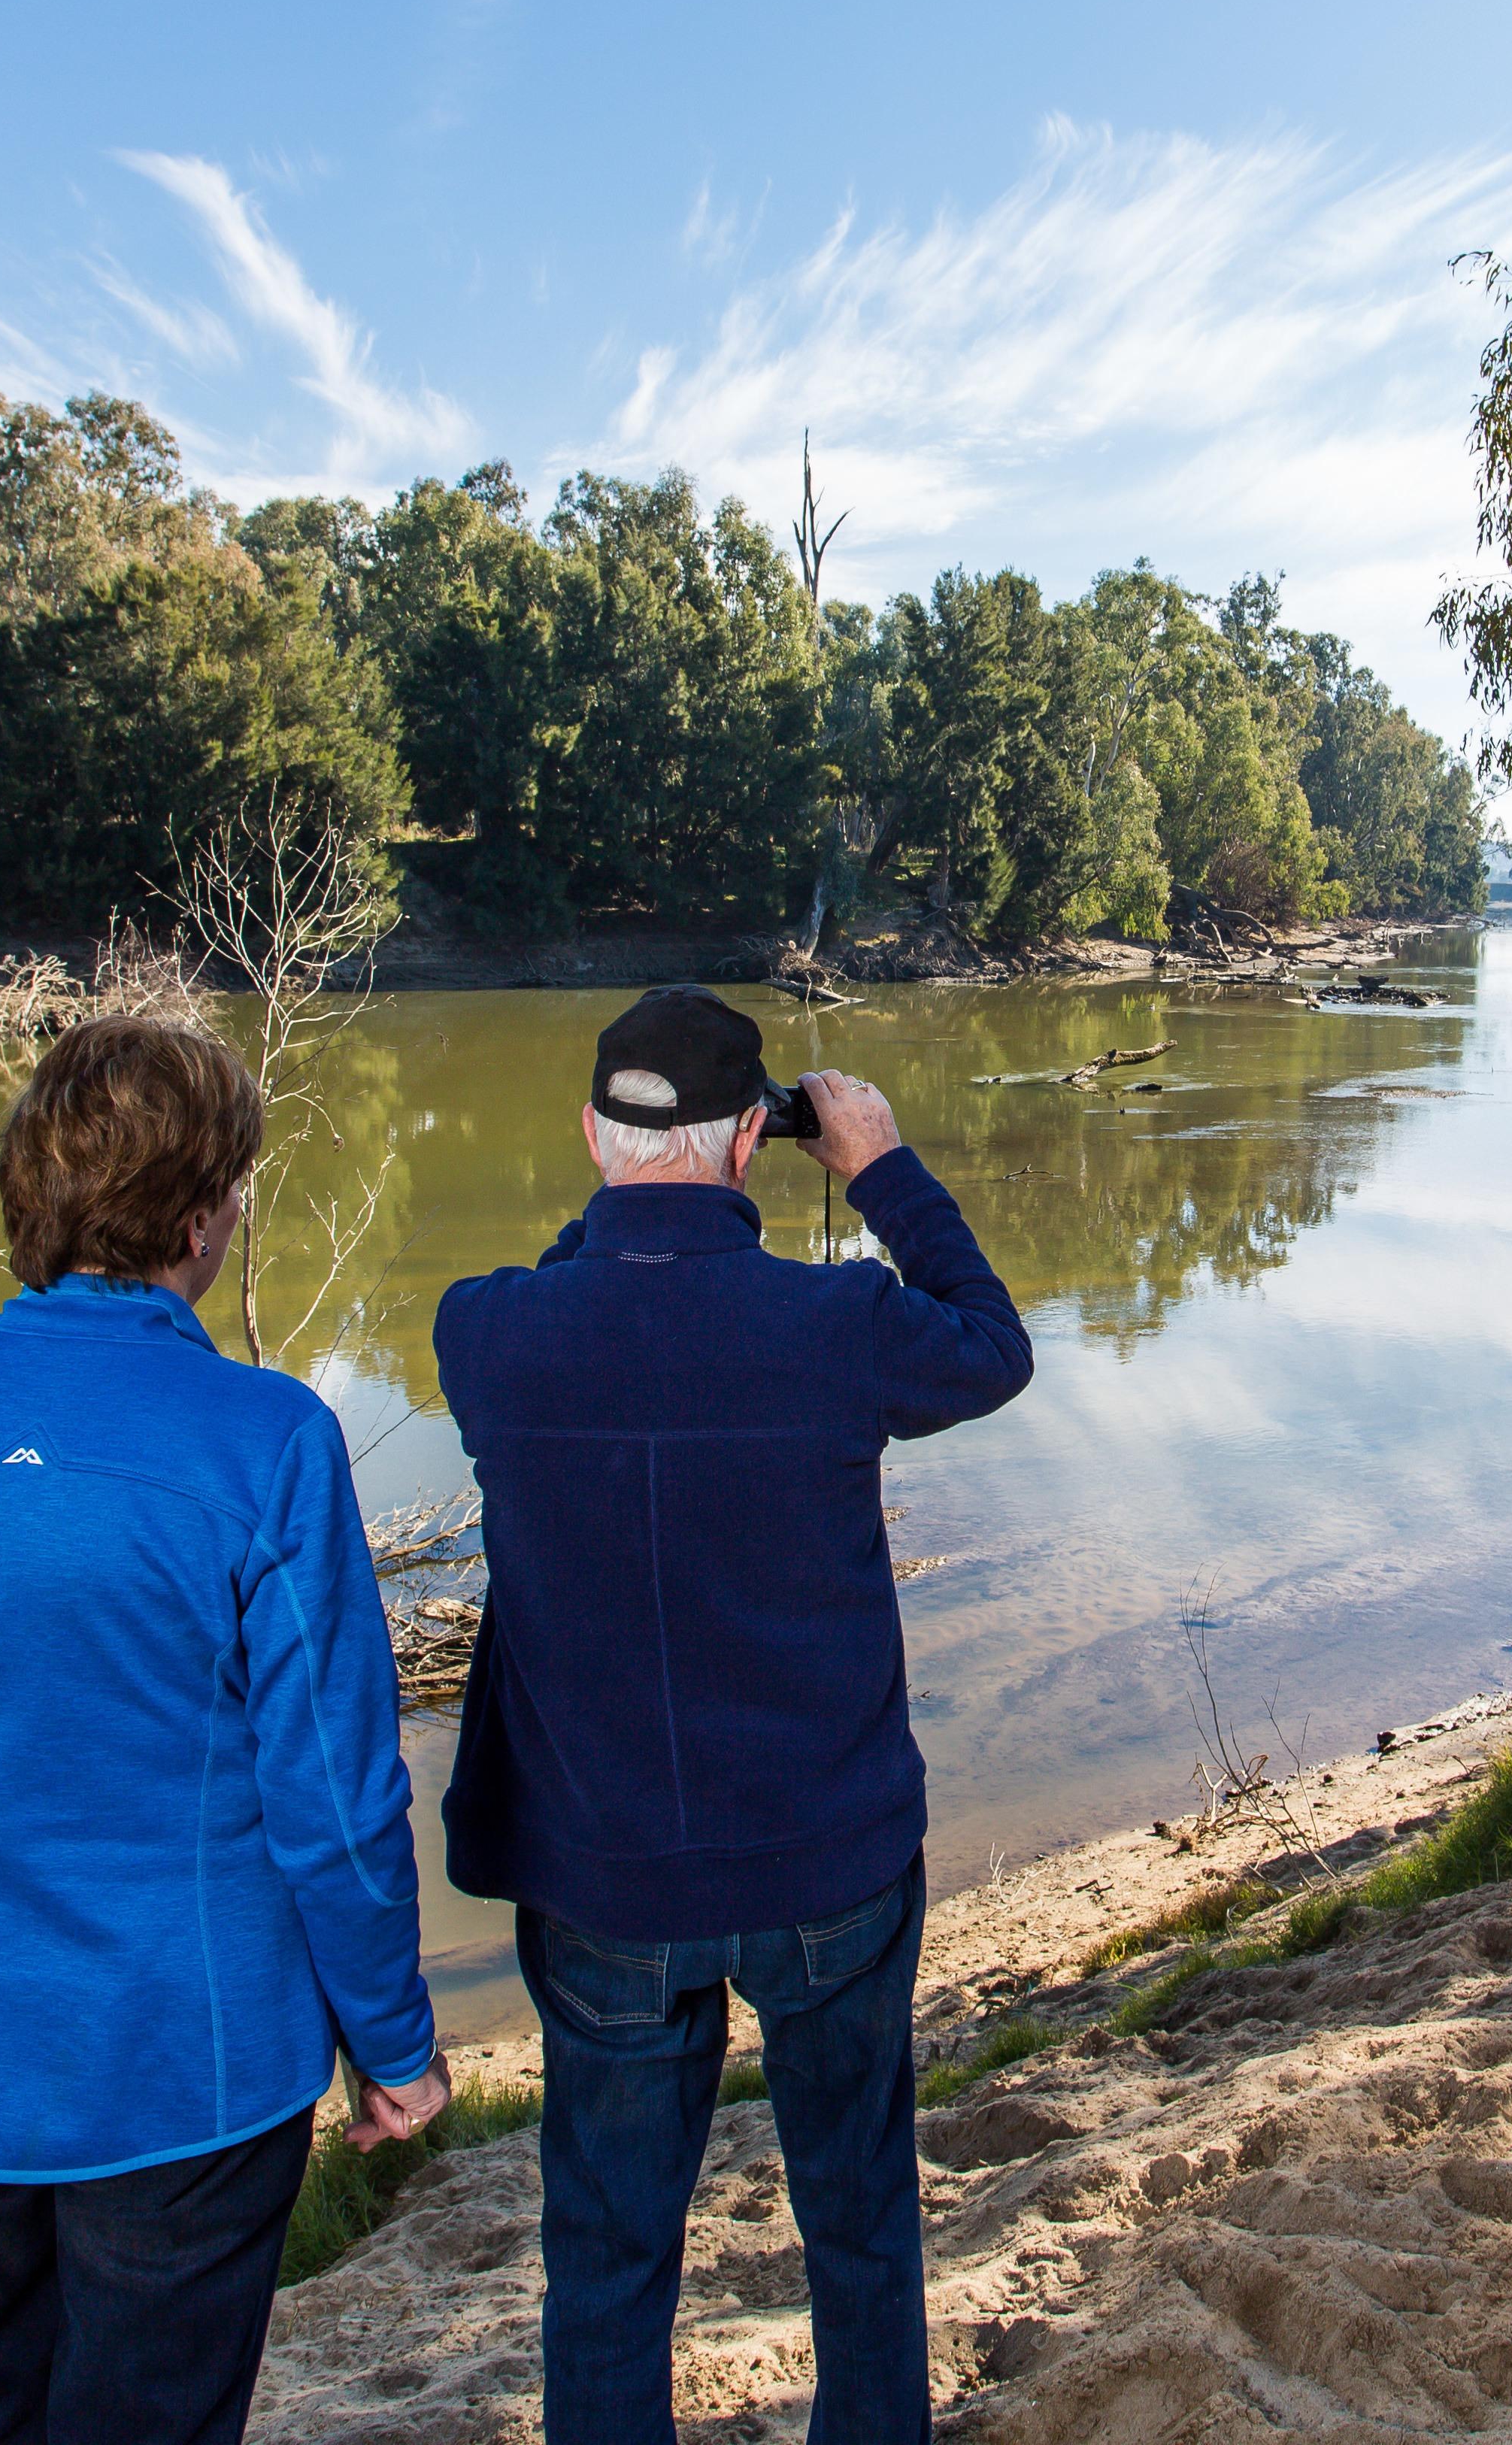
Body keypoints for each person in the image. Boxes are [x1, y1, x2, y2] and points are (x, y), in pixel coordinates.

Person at [0, 1014, 451, 2445]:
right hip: (176, 2071)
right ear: (202, 1218)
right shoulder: (265, 1439)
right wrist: (391, 2043)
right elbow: (332, 1801)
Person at [434, 986, 1034, 2445]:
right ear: (757, 1143)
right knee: (860, 2235)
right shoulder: (839, 1324)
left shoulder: (486, 1337)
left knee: (609, 2259)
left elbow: (597, 1273)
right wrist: (878, 1166)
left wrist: (638, 1205)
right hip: (828, 1861)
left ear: (589, 1136)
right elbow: (994, 1345)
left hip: (603, 1886)